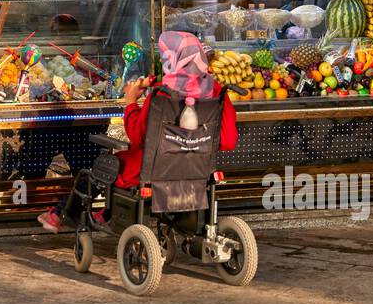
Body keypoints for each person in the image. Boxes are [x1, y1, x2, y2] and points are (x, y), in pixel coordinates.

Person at [38, 31, 237, 232]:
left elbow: (138, 137)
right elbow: (228, 141)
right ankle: (104, 214)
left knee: (102, 166)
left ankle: (59, 214)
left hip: (151, 171)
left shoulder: (162, 95)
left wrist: (131, 101)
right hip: (198, 172)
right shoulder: (218, 93)